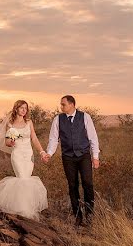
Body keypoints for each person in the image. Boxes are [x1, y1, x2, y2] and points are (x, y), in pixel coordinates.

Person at [42, 95, 100, 225]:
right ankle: (78, 217)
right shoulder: (58, 119)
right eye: (61, 104)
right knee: (72, 186)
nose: (61, 107)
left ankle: (90, 216)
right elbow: (53, 139)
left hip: (84, 155)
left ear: (72, 104)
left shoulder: (85, 117)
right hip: (68, 157)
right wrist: (49, 153)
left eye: (63, 104)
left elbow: (93, 138)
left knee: (88, 184)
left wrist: (95, 157)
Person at [0, 100, 49, 220]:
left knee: (27, 179)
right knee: (22, 178)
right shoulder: (10, 124)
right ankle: (23, 211)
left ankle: (28, 208)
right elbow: (7, 142)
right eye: (21, 108)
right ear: (16, 109)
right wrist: (10, 142)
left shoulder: (29, 122)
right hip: (17, 154)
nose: (24, 110)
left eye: (25, 108)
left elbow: (34, 138)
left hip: (28, 154)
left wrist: (42, 152)